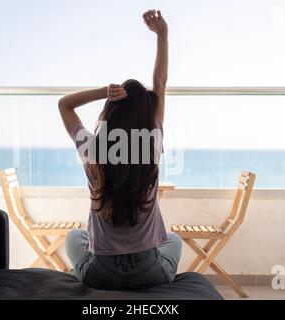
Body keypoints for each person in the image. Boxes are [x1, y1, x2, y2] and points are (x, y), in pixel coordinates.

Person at [58, 9, 182, 290]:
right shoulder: (152, 141)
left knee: (73, 237)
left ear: (110, 112)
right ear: (148, 115)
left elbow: (64, 105)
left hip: (100, 273)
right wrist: (162, 35)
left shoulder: (91, 149)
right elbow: (160, 84)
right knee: (174, 240)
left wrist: (104, 91)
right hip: (149, 271)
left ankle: (83, 277)